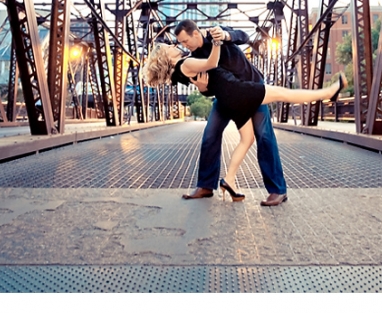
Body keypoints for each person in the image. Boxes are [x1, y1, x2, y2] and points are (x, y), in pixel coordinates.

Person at [142, 28, 345, 203]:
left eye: (184, 40)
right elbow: (207, 81)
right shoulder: (190, 57)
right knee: (211, 135)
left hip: (247, 85)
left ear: (195, 33)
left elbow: (244, 36)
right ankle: (206, 185)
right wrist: (203, 88)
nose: (183, 45)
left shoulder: (214, 33)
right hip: (232, 95)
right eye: (179, 43)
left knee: (261, 136)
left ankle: (275, 190)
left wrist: (224, 36)